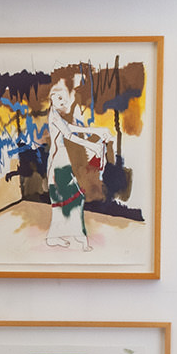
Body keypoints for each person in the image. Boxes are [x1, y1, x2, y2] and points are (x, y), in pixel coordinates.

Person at [42, 74, 113, 250]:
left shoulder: (56, 116)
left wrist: (96, 131)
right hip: (58, 164)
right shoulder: (54, 116)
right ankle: (78, 237)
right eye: (59, 98)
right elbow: (68, 135)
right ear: (51, 99)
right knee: (73, 199)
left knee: (64, 200)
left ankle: (56, 236)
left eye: (64, 98)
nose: (63, 101)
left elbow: (70, 128)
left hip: (61, 161)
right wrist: (92, 145)